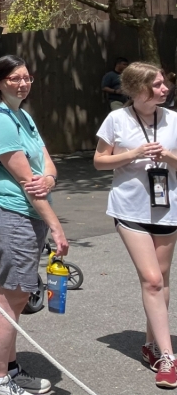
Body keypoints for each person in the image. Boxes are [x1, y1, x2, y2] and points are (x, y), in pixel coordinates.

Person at [0, 55, 66, 395]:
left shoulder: (23, 116)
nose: (22, 83)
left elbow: (46, 164)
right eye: (14, 78)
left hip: (26, 214)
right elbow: (27, 180)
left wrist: (51, 180)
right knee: (10, 296)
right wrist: (56, 226)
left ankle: (10, 370)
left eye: (26, 77)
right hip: (10, 212)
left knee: (15, 294)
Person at [94, 61, 177, 388]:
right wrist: (135, 154)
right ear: (138, 89)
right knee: (153, 279)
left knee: (162, 279)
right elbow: (100, 161)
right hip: (130, 209)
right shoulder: (117, 119)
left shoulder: (173, 120)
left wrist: (168, 157)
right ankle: (169, 358)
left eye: (164, 83)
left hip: (168, 209)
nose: (165, 88)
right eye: (157, 85)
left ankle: (151, 345)